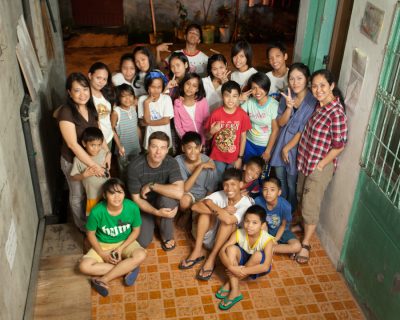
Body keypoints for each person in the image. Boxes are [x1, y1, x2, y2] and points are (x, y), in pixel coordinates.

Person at [296, 69, 348, 264]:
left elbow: (339, 145)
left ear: (332, 86)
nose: (318, 90)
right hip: (305, 160)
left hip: (319, 166)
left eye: (322, 86)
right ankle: (303, 226)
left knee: (310, 203)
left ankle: (306, 243)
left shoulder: (336, 113)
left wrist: (321, 164)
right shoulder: (319, 105)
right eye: (314, 86)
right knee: (301, 195)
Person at [58, 73, 111, 232]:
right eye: (77, 90)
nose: (82, 94)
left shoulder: (90, 107)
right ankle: (83, 227)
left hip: (93, 159)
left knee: (93, 191)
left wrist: (107, 153)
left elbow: (99, 133)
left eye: (85, 89)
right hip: (73, 161)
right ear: (69, 92)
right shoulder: (66, 112)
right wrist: (94, 166)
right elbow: (72, 145)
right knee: (77, 195)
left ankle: (96, 223)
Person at [179, 168, 253, 281]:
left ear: (241, 184)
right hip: (207, 236)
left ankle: (212, 258)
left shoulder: (246, 203)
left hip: (224, 243)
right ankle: (197, 251)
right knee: (204, 214)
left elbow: (228, 220)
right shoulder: (220, 194)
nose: (229, 189)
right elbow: (194, 207)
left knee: (227, 223)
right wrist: (222, 209)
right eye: (226, 185)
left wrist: (211, 205)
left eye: (233, 184)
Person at [79, 178, 146, 297]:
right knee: (84, 266)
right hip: (103, 244)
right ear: (105, 195)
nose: (117, 197)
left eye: (120, 192)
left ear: (124, 194)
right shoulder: (97, 212)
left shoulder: (132, 207)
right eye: (112, 193)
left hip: (125, 242)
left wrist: (121, 248)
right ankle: (126, 268)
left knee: (141, 254)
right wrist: (102, 253)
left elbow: (136, 231)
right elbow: (90, 234)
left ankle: (104, 279)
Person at [270, 63, 316, 213]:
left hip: (297, 146)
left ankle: (289, 211)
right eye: (291, 79)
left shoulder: (312, 101)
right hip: (281, 141)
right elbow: (280, 122)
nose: (295, 83)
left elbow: (302, 130)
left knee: (291, 182)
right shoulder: (287, 95)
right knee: (280, 178)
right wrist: (289, 107)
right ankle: (281, 208)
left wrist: (287, 148)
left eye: (299, 78)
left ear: (307, 79)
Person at [127, 131, 184, 250]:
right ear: (148, 147)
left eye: (163, 148)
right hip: (143, 204)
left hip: (162, 200)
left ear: (167, 149)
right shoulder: (135, 166)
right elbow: (136, 199)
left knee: (168, 201)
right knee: (142, 242)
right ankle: (157, 220)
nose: (158, 152)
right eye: (154, 147)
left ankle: (166, 235)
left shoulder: (171, 162)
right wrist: (156, 213)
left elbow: (179, 193)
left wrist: (152, 185)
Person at [217, 205, 274, 310]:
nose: (249, 226)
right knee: (230, 248)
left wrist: (242, 270)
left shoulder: (267, 240)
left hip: (258, 266)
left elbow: (266, 266)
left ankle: (232, 285)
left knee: (257, 255)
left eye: (254, 223)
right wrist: (231, 267)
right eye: (247, 221)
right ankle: (235, 289)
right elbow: (221, 251)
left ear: (262, 225)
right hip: (243, 260)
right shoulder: (239, 233)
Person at [206, 81, 251, 179]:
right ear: (222, 96)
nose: (230, 100)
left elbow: (243, 138)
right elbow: (207, 137)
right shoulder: (216, 114)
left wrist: (240, 158)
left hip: (234, 158)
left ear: (239, 97)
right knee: (216, 181)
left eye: (234, 96)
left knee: (231, 181)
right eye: (227, 96)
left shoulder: (242, 115)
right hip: (217, 156)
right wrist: (212, 131)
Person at [255, 178, 301, 255]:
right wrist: (267, 237)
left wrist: (275, 239)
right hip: (265, 230)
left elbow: (283, 225)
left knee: (297, 246)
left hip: (281, 231)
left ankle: (269, 248)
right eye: (265, 189)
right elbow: (258, 221)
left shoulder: (285, 206)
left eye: (272, 190)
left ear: (279, 192)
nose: (268, 193)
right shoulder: (258, 201)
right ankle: (278, 248)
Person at [241, 72, 279, 164]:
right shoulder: (250, 102)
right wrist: (239, 99)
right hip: (249, 143)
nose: (257, 92)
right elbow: (236, 114)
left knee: (260, 173)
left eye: (261, 87)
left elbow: (275, 130)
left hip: (265, 145)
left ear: (267, 87)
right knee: (247, 169)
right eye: (254, 88)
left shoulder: (274, 105)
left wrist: (268, 151)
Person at [175, 132, 218, 213]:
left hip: (203, 196)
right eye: (189, 148)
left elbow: (210, 190)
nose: (193, 152)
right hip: (187, 194)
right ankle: (184, 216)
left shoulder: (208, 162)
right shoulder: (178, 160)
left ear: (201, 147)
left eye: (196, 148)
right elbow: (185, 189)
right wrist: (200, 167)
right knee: (184, 201)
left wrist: (204, 203)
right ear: (183, 148)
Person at [70, 127, 109, 216]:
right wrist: (83, 175)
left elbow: (107, 169)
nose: (96, 148)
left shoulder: (103, 153)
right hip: (92, 196)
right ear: (84, 143)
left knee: (107, 215)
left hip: (106, 193)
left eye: (99, 145)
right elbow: (73, 177)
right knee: (94, 217)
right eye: (93, 145)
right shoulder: (78, 159)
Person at [111, 84, 142, 180]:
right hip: (123, 149)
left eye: (130, 95)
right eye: (123, 96)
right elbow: (111, 129)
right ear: (118, 98)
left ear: (133, 96)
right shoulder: (116, 112)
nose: (127, 98)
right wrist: (119, 146)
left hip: (135, 147)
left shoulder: (133, 108)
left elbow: (135, 126)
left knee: (136, 171)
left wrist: (140, 142)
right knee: (123, 173)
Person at [138, 71, 173, 150]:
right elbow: (143, 122)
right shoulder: (142, 100)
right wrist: (146, 103)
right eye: (153, 87)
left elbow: (166, 121)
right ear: (147, 87)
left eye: (159, 87)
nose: (156, 90)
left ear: (162, 87)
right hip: (149, 139)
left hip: (165, 138)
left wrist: (148, 123)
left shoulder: (166, 99)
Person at [173, 73, 209, 145]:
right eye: (188, 84)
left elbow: (207, 122)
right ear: (183, 84)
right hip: (187, 143)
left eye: (194, 86)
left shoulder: (203, 101)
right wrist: (187, 142)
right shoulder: (177, 104)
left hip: (203, 142)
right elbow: (178, 127)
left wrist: (204, 139)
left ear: (198, 89)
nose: (190, 88)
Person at [88, 62, 115, 150]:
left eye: (104, 79)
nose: (101, 82)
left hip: (109, 137)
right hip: (97, 141)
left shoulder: (105, 93)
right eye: (98, 78)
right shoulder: (86, 97)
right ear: (90, 75)